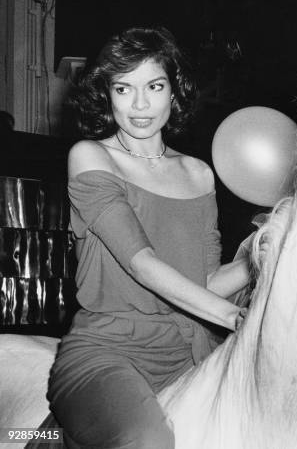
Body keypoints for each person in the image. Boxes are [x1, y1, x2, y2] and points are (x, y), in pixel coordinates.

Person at [47, 27, 251, 449]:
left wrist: (262, 256)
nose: (140, 105)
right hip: (108, 349)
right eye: (124, 88)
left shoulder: (199, 173)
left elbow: (205, 285)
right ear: (108, 94)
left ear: (173, 92)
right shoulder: (90, 156)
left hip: (186, 350)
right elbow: (141, 262)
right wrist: (235, 318)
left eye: (154, 86)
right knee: (148, 441)